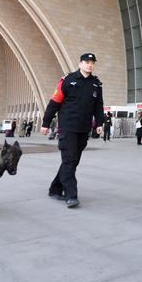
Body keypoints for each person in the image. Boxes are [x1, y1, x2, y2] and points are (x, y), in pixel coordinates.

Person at [41, 52, 104, 209]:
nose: (90, 65)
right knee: (69, 160)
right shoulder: (68, 80)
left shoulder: (96, 84)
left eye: (92, 63)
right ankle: (71, 195)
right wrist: (46, 123)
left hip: (83, 128)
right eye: (87, 62)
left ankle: (55, 189)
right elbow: (54, 103)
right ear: (80, 63)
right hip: (67, 127)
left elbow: (98, 106)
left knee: (72, 161)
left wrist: (99, 123)